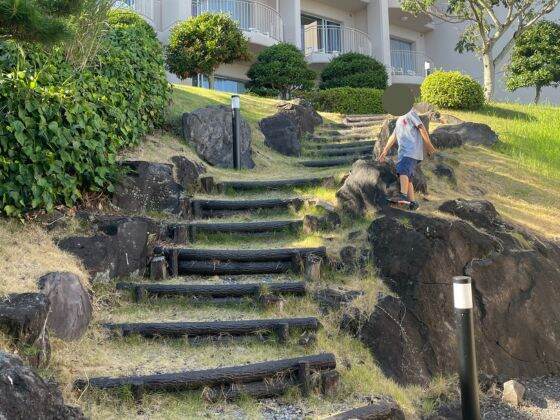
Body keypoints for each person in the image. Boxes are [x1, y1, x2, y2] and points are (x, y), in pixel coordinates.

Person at [377, 108, 436, 210]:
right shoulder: (399, 119)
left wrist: (429, 145)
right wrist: (385, 150)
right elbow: (393, 136)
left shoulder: (410, 113)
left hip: (411, 151)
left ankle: (402, 196)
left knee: (403, 171)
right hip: (405, 153)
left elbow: (421, 127)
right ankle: (412, 203)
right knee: (407, 178)